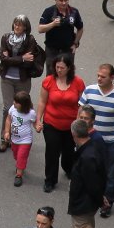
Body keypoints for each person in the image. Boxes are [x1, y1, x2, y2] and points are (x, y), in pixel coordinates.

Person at [80, 63, 114, 217]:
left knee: (110, 174)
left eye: (103, 77)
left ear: (112, 78)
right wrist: (78, 135)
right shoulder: (89, 91)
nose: (99, 79)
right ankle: (89, 196)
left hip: (111, 142)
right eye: (98, 76)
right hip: (90, 140)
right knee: (89, 169)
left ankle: (107, 202)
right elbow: (80, 114)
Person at [37, 53, 86, 193]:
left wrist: (80, 121)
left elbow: (82, 104)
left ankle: (68, 168)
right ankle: (50, 180)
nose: (59, 70)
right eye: (57, 67)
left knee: (68, 153)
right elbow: (42, 101)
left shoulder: (78, 83)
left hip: (71, 125)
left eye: (62, 68)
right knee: (52, 152)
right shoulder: (48, 81)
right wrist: (38, 119)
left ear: (69, 68)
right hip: (51, 123)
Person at [0, 14, 46, 134]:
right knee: (8, 108)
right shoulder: (5, 37)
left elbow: (29, 63)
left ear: (25, 27)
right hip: (7, 79)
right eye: (15, 24)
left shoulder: (30, 40)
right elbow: (3, 60)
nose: (17, 26)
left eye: (20, 25)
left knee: (22, 107)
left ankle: (19, 134)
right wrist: (22, 58)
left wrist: (11, 59)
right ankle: (5, 135)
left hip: (23, 80)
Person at [67, 119, 106, 228]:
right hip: (88, 203)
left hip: (82, 204)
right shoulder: (93, 147)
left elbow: (92, 184)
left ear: (74, 134)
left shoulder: (86, 157)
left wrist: (100, 200)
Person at [39, 0, 85, 65]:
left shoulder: (74, 12)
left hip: (68, 50)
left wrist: (75, 44)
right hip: (52, 50)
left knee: (68, 71)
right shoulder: (49, 11)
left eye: (66, 0)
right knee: (51, 72)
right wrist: (53, 24)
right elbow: (40, 29)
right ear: (55, 0)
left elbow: (80, 28)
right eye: (61, 1)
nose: (64, 3)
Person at [8, 88, 39, 188]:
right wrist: (6, 132)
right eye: (14, 101)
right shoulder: (12, 109)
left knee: (21, 156)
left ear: (23, 105)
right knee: (16, 155)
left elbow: (34, 123)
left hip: (26, 140)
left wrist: (37, 127)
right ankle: (20, 165)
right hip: (14, 139)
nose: (14, 103)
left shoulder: (31, 113)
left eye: (17, 102)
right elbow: (8, 120)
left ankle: (19, 175)